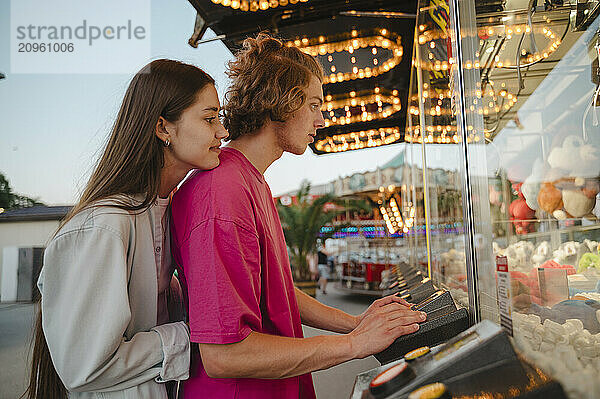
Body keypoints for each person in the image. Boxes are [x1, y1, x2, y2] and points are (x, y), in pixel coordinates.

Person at [170, 34, 426, 399]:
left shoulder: (249, 180)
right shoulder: (222, 193)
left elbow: (276, 293)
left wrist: (357, 323)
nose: (321, 120)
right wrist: (353, 345)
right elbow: (224, 355)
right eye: (313, 104)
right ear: (281, 102)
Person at [25, 59, 228, 399]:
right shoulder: (102, 227)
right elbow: (84, 367)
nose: (222, 131)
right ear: (163, 128)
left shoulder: (167, 210)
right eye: (210, 118)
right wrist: (191, 335)